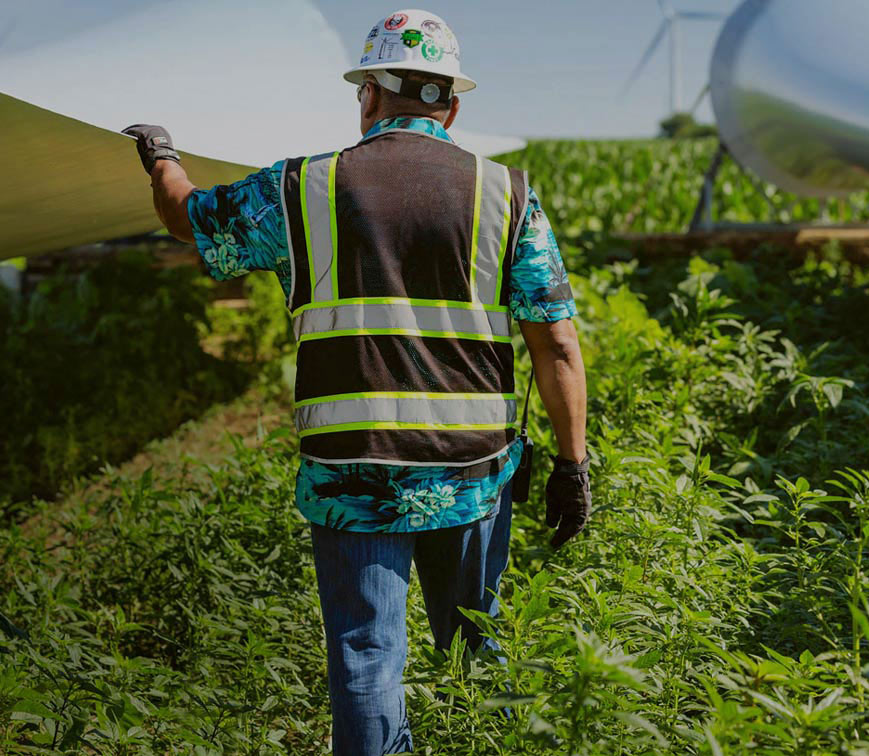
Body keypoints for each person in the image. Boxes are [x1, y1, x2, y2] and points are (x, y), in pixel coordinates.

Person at [123, 9, 591, 754]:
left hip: (353, 468)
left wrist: (161, 155)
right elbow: (558, 344)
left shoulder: (301, 188)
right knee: (478, 645)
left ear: (368, 94)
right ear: (453, 104)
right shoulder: (507, 192)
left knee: (367, 659)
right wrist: (573, 467)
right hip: (471, 470)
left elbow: (190, 219)